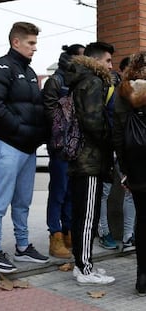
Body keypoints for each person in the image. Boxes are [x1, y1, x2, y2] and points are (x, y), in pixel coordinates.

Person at [0, 21, 49, 274]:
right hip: (8, 145)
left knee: (23, 202)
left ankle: (22, 247)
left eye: (35, 43)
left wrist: (39, 135)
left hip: (28, 149)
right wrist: (20, 130)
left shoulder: (30, 73)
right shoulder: (1, 66)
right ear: (16, 42)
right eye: (31, 43)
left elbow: (37, 109)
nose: (35, 48)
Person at [63, 42, 116, 285]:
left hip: (82, 159)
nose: (111, 66)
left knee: (82, 215)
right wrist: (111, 139)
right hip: (89, 160)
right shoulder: (93, 82)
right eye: (107, 61)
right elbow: (93, 122)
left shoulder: (81, 80)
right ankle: (84, 269)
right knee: (87, 217)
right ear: (95, 61)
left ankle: (82, 264)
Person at [43, 44, 85, 259]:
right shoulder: (55, 82)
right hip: (60, 146)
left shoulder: (78, 81)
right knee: (58, 192)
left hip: (75, 146)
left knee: (70, 193)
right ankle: (55, 234)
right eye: (81, 57)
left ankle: (68, 231)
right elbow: (50, 114)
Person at [113, 51, 146, 296]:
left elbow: (118, 137)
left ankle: (142, 278)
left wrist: (124, 171)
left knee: (142, 221)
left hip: (135, 168)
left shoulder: (121, 93)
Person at [98, 56, 136, 251]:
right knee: (104, 192)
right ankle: (104, 231)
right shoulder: (113, 89)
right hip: (109, 147)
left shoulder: (135, 91)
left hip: (126, 148)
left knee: (130, 193)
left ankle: (129, 236)